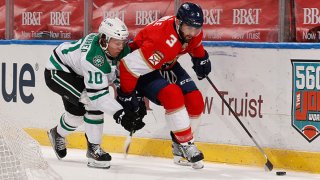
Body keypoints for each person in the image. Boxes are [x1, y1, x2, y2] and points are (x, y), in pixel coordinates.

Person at [116, 2, 211, 169]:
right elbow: (127, 66)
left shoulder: (191, 32)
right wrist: (127, 94)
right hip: (144, 67)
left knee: (195, 100)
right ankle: (187, 144)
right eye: (189, 28)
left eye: (197, 29)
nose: (193, 33)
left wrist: (201, 57)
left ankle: (178, 146)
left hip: (167, 63)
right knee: (172, 94)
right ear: (178, 22)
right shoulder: (159, 41)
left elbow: (194, 44)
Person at [44, 17, 145, 169]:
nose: (121, 46)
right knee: (92, 103)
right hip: (58, 71)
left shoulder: (122, 49)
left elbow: (122, 77)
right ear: (104, 40)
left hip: (79, 73)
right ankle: (94, 148)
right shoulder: (93, 57)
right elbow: (98, 96)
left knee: (76, 116)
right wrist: (121, 115)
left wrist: (135, 102)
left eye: (123, 42)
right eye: (117, 43)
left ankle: (57, 134)